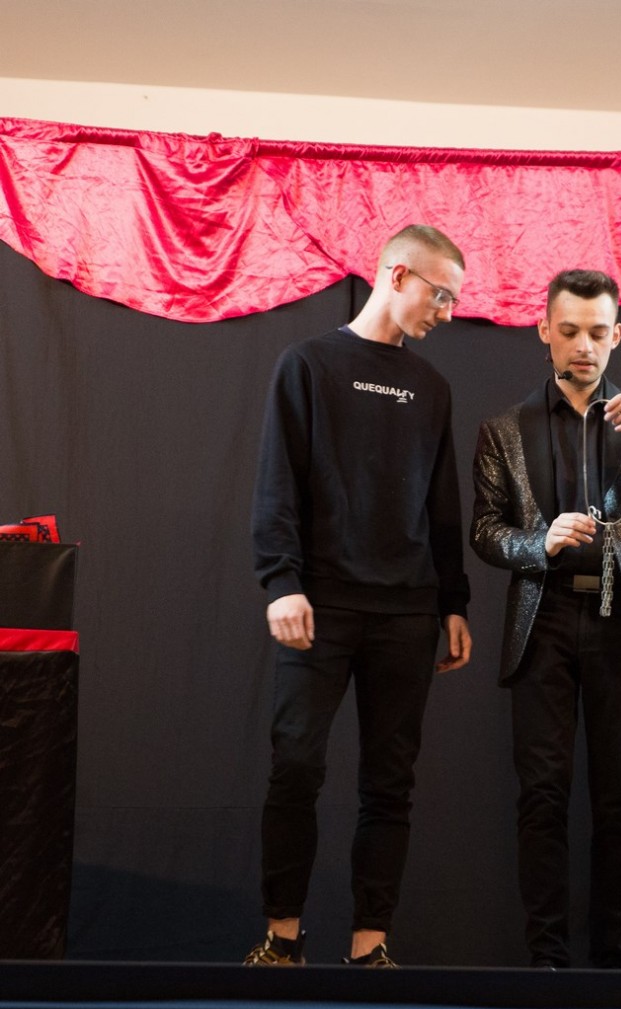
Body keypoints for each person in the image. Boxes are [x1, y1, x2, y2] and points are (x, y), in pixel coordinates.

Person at [471, 268, 621, 969]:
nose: (584, 346)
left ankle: (615, 963)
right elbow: (484, 531)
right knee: (541, 798)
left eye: (597, 332)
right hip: (543, 619)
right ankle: (546, 962)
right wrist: (538, 543)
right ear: (544, 331)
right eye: (570, 331)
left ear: (618, 335)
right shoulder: (504, 429)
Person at [246, 224, 473, 967]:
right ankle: (282, 940)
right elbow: (277, 483)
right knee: (296, 768)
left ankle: (369, 948)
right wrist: (282, 582)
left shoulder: (431, 388)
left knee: (389, 785)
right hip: (319, 607)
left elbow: (443, 505)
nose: (446, 312)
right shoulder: (308, 365)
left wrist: (454, 602)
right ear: (398, 275)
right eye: (440, 295)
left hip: (407, 613)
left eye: (454, 300)